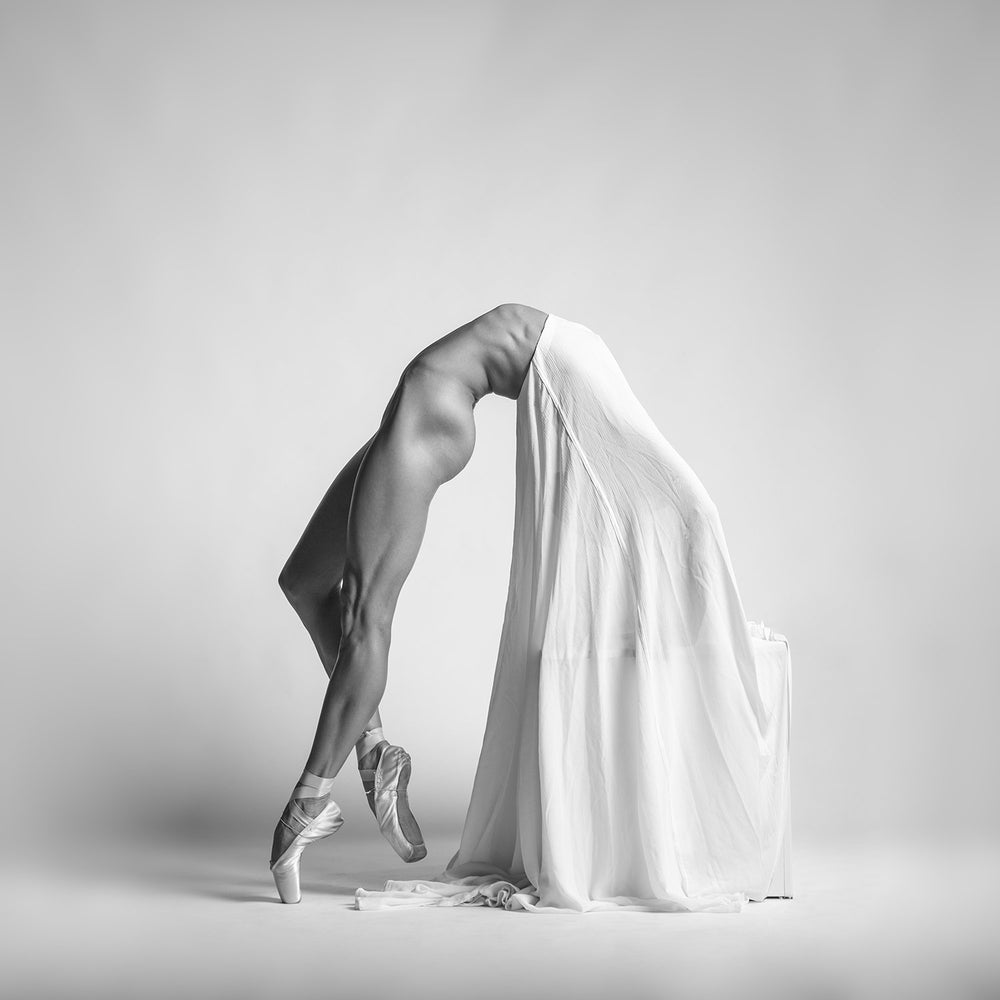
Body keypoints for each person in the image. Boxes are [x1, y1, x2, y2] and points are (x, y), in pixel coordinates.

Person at [271, 304, 791, 913]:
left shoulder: (429, 414)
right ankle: (375, 755)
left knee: (365, 617)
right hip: (518, 366)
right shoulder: (422, 408)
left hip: (548, 364)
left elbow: (366, 628)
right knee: (306, 580)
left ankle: (311, 801)